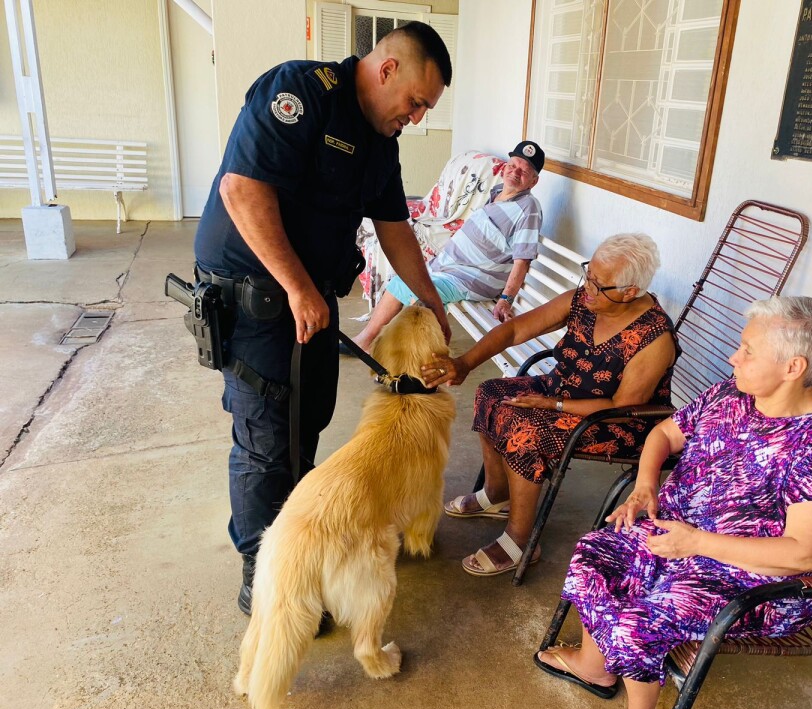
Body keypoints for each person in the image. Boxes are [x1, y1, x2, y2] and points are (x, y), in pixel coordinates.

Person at [192, 22, 453, 615]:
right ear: (387, 69)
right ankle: (265, 580)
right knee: (265, 439)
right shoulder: (301, 92)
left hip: (308, 298)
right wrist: (297, 286)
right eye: (416, 102)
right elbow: (242, 192)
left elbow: (395, 229)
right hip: (257, 296)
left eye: (426, 110)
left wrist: (431, 297)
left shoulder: (381, 144)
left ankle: (298, 556)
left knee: (306, 423)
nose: (416, 118)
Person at [534, 296, 812, 709]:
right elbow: (664, 436)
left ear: (792, 367)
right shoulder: (732, 394)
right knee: (596, 554)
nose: (734, 357)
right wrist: (645, 486)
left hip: (753, 580)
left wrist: (696, 543)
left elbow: (803, 552)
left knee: (638, 620)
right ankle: (593, 667)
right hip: (679, 535)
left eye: (748, 351)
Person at [422, 233, 680, 576]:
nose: (588, 287)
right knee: (491, 392)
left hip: (616, 421)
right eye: (588, 275)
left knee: (525, 428)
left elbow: (622, 404)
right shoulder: (583, 300)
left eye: (599, 285)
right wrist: (466, 362)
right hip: (561, 390)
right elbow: (515, 331)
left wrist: (551, 404)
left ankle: (520, 540)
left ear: (630, 292)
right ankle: (497, 493)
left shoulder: (654, 337)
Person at [347, 140, 546, 352]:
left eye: (524, 171)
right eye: (513, 165)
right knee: (406, 279)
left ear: (533, 181)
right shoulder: (497, 192)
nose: (515, 172)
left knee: (410, 287)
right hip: (451, 267)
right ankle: (380, 341)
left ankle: (367, 341)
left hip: (472, 279)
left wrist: (506, 300)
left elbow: (522, 261)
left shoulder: (528, 208)